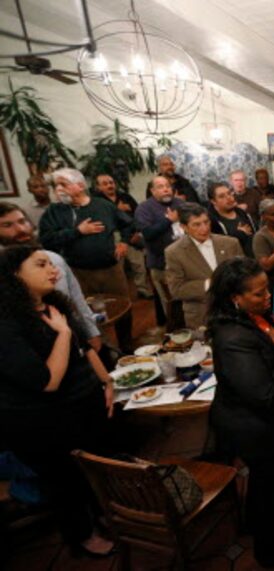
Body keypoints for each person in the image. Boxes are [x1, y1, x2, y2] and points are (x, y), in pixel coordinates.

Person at [0, 246, 115, 558]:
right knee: (66, 481)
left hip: (82, 407)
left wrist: (106, 382)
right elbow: (47, 381)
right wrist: (62, 334)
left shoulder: (53, 303)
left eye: (52, 264)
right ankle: (82, 534)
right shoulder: (7, 323)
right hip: (42, 421)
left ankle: (104, 515)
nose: (53, 270)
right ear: (14, 275)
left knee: (94, 471)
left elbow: (87, 350)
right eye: (41, 265)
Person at [207, 257, 274, 568]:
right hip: (258, 429)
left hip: (269, 424)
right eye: (258, 293)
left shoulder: (251, 317)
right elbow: (266, 394)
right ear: (234, 298)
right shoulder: (232, 338)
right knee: (271, 487)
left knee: (265, 484)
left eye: (267, 290)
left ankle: (257, 523)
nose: (267, 298)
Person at [0, 202, 101, 350]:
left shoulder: (53, 259)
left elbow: (77, 300)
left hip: (75, 339)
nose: (20, 229)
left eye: (22, 221)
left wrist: (92, 332)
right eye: (7, 225)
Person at [38, 168, 135, 299]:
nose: (58, 189)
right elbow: (46, 240)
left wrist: (124, 242)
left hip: (111, 270)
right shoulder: (54, 211)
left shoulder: (103, 205)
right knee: (89, 313)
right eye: (56, 186)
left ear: (80, 186)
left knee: (121, 307)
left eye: (63, 184)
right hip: (78, 273)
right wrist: (77, 232)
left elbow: (128, 224)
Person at [165, 204, 244, 329]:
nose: (204, 228)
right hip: (201, 316)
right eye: (196, 224)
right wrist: (210, 283)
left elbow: (244, 275)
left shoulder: (231, 243)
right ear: (183, 227)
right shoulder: (174, 252)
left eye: (206, 222)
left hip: (236, 313)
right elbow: (176, 289)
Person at [134, 176, 186, 319]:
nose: (165, 190)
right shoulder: (144, 208)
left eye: (168, 186)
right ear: (152, 191)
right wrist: (169, 220)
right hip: (161, 265)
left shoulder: (180, 203)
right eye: (160, 187)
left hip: (186, 262)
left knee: (187, 302)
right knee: (171, 306)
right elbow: (147, 233)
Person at [93, 174, 151, 299]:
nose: (109, 185)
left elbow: (137, 213)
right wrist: (117, 209)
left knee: (139, 265)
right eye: (105, 183)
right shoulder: (96, 202)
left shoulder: (125, 197)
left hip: (131, 234)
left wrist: (137, 231)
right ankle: (121, 296)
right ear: (98, 187)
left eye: (111, 182)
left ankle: (142, 289)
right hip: (112, 237)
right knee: (118, 268)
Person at [208, 182, 257, 258]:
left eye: (229, 193)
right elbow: (218, 248)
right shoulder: (211, 221)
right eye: (222, 196)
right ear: (213, 201)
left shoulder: (242, 213)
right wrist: (237, 234)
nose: (229, 198)